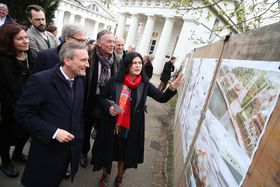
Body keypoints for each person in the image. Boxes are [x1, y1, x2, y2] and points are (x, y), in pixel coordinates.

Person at [91, 52, 183, 187]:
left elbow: (161, 98)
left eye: (140, 63)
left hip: (132, 129)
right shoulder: (115, 81)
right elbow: (100, 98)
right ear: (127, 65)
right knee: (108, 153)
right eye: (134, 63)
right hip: (112, 126)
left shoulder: (145, 85)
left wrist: (173, 87)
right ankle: (105, 175)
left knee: (125, 155)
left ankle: (119, 178)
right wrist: (108, 108)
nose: (138, 65)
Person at [15, 42, 89, 187]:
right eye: (83, 60)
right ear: (67, 60)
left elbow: (77, 113)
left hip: (68, 151)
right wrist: (54, 132)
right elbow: (22, 114)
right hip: (45, 150)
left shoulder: (80, 81)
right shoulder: (41, 80)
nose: (88, 65)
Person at [0, 23, 35, 178]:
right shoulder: (3, 60)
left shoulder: (31, 55)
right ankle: (5, 161)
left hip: (30, 105)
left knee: (25, 132)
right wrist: (13, 109)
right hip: (10, 107)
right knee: (6, 136)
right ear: (9, 41)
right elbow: (4, 89)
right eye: (20, 38)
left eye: (26, 37)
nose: (25, 41)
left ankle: (18, 153)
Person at [81, 30, 118, 168]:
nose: (112, 44)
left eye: (113, 41)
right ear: (99, 43)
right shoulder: (89, 57)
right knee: (86, 128)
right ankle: (83, 152)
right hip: (90, 98)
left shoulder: (116, 60)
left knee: (102, 130)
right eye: (109, 41)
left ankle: (96, 155)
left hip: (107, 102)